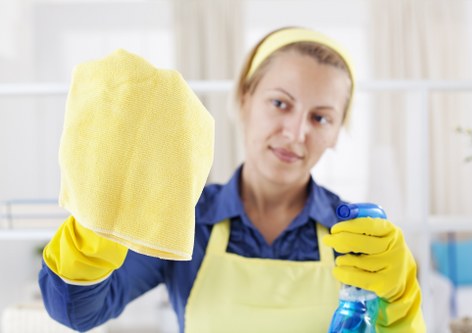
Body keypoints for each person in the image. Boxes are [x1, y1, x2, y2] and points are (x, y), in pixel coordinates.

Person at [39, 27, 425, 332]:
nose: (295, 133)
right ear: (243, 98)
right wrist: (97, 228)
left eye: (320, 117)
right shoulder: (184, 220)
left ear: (338, 131)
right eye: (280, 103)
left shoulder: (355, 235)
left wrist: (403, 298)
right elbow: (78, 313)